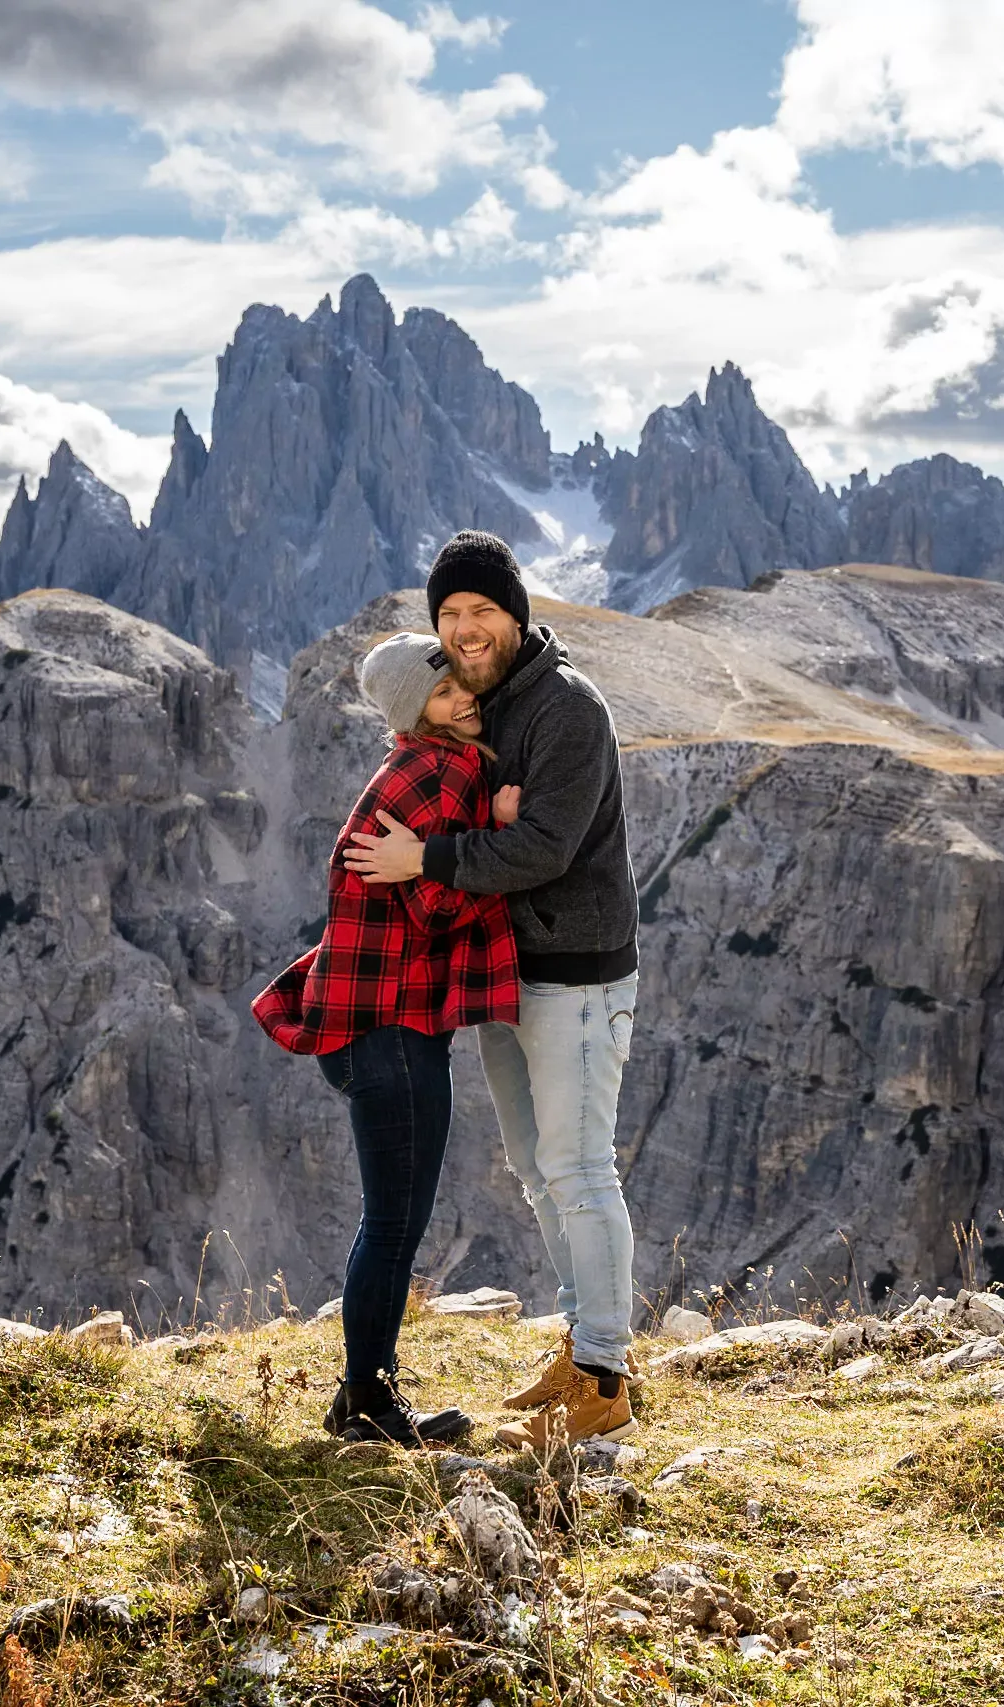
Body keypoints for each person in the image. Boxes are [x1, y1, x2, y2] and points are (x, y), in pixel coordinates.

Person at [343, 531, 642, 1448]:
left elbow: (544, 848)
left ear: (516, 614)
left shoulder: (567, 709)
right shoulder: (486, 703)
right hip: (509, 974)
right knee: (537, 1170)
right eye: (450, 614)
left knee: (580, 1169)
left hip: (576, 976)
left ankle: (605, 1374)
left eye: (482, 610)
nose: (466, 629)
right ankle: (580, 1346)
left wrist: (424, 857)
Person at [252, 632, 521, 1448]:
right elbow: (438, 906)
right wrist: (502, 837)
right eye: (443, 693)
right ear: (415, 710)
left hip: (371, 1024)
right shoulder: (438, 773)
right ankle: (367, 1401)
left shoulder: (419, 763)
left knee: (392, 1220)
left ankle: (363, 1395)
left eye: (460, 683)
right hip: (391, 1032)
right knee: (394, 1225)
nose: (463, 698)